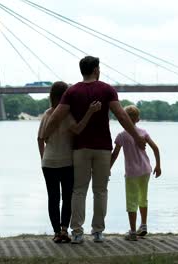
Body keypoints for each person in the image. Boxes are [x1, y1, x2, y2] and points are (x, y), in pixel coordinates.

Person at [43, 56, 146, 244]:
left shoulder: (72, 91)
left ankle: (77, 232)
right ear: (96, 70)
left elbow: (55, 117)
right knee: (100, 191)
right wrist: (137, 137)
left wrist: (45, 136)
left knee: (79, 190)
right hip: (103, 149)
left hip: (80, 148)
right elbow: (122, 116)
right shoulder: (107, 89)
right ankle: (98, 231)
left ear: (82, 70)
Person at [38, 81, 101, 243]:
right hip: (67, 163)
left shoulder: (46, 114)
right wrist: (90, 112)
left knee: (53, 198)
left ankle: (57, 232)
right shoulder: (67, 115)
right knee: (67, 198)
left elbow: (40, 138)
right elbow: (79, 129)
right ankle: (65, 230)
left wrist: (42, 157)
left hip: (48, 163)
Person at [110, 105, 162, 241]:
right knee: (142, 198)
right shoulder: (143, 132)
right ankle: (143, 226)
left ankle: (133, 232)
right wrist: (158, 165)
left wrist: (108, 167)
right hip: (146, 170)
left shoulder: (122, 135)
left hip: (132, 173)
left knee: (131, 201)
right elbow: (155, 148)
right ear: (138, 119)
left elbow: (115, 154)